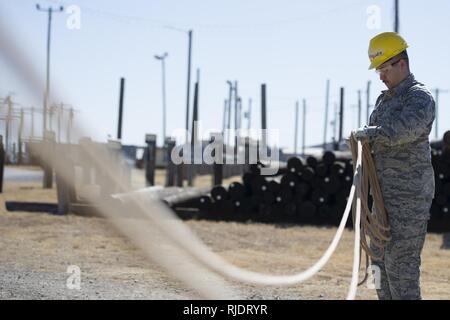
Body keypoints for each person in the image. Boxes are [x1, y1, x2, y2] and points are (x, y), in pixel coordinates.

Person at [352, 32, 435, 300]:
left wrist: (368, 133)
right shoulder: (383, 101)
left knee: (401, 268)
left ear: (402, 64)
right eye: (378, 70)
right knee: (379, 266)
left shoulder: (419, 97)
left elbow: (404, 130)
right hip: (383, 198)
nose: (381, 76)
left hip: (409, 197)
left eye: (384, 69)